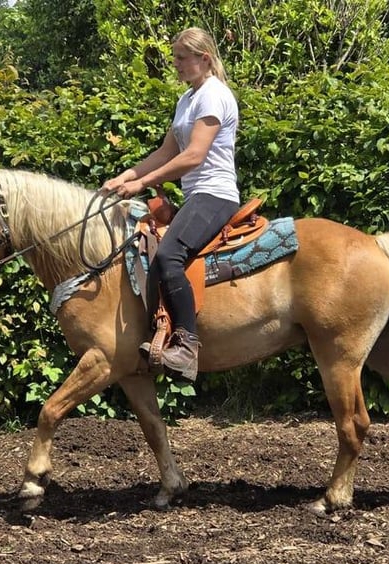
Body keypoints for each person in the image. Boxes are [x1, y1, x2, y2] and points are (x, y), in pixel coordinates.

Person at [101, 27, 240, 382]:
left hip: (215, 194)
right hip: (197, 196)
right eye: (175, 57)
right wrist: (123, 176)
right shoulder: (187, 100)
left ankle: (186, 344)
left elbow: (193, 156)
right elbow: (167, 152)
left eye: (181, 57)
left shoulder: (213, 95)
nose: (175, 64)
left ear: (203, 59)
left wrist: (142, 183)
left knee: (168, 255)